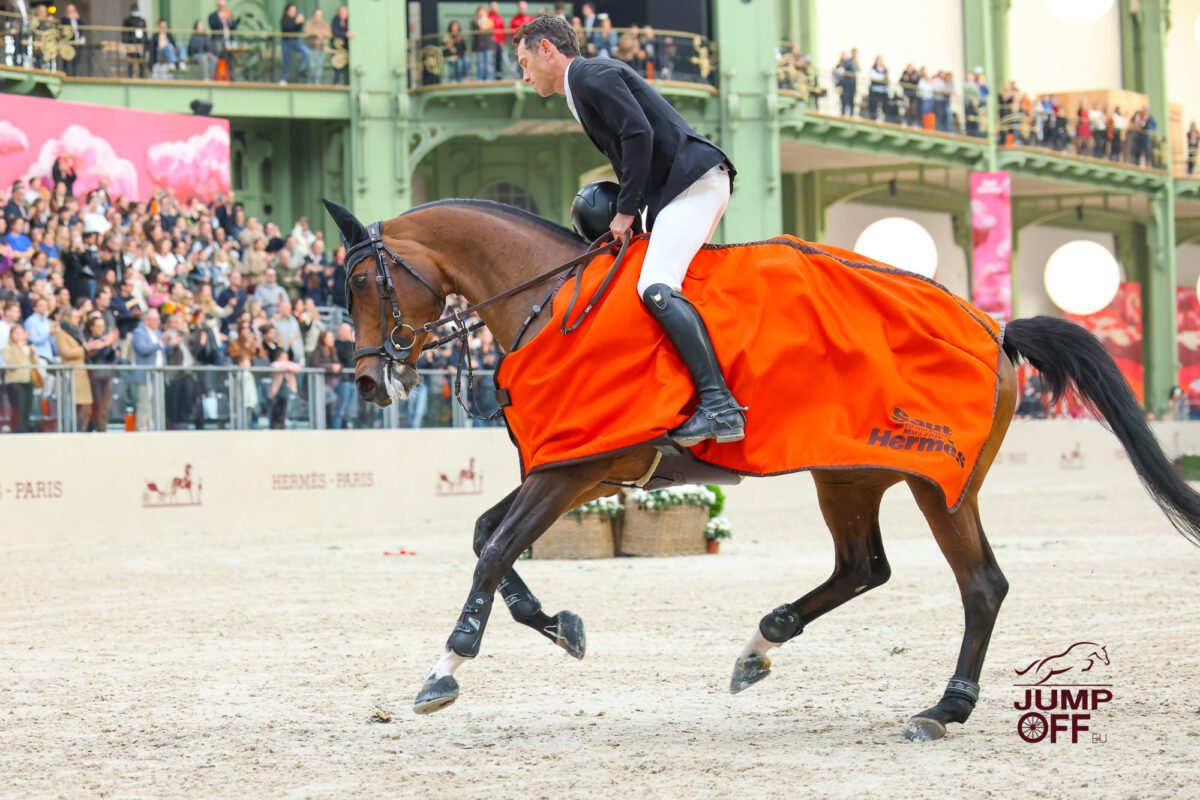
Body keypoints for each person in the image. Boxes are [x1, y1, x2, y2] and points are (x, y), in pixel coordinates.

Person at [516, 16, 745, 447]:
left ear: (547, 49)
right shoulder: (580, 88)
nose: (525, 76)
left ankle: (720, 406)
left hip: (691, 183)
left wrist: (624, 211)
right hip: (678, 189)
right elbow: (633, 145)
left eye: (526, 63)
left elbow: (637, 133)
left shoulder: (588, 74)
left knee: (656, 286)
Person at [54, 304, 93, 430]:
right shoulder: (61, 334)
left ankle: (83, 430)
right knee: (74, 405)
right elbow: (65, 353)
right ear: (68, 318)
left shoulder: (78, 332)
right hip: (71, 373)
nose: (78, 320)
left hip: (82, 372)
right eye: (76, 317)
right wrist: (85, 349)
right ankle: (71, 430)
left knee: (86, 406)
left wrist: (94, 347)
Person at [131, 308, 166, 431]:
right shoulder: (139, 332)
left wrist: (171, 344)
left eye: (158, 319)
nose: (158, 322)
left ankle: (155, 427)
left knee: (157, 403)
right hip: (145, 375)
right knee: (144, 404)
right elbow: (143, 349)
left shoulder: (158, 333)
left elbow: (163, 350)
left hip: (158, 375)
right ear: (147, 320)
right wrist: (160, 343)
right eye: (155, 319)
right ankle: (142, 428)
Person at [2, 323, 40, 433]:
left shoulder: (27, 348)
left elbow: (36, 362)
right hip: (15, 382)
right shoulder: (7, 348)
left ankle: (26, 429)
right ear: (11, 335)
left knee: (28, 407)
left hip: (28, 380)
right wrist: (18, 347)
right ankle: (18, 430)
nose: (19, 336)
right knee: (19, 408)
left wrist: (32, 353)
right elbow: (13, 363)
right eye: (16, 333)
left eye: (21, 333)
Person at [84, 312, 118, 431]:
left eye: (102, 326)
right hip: (94, 376)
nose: (101, 329)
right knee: (97, 406)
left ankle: (102, 429)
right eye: (98, 326)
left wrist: (112, 346)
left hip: (106, 375)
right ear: (92, 327)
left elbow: (110, 357)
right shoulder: (88, 339)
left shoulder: (103, 340)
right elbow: (94, 354)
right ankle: (98, 430)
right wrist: (106, 343)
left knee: (105, 407)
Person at [279, 4, 310, 84]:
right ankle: (285, 78)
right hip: (286, 42)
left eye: (294, 10)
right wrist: (296, 22)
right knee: (287, 61)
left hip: (295, 41)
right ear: (287, 11)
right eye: (292, 10)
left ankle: (301, 69)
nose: (294, 12)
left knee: (307, 52)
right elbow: (286, 28)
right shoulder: (284, 19)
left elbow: (297, 30)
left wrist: (300, 23)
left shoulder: (296, 19)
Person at [121, 3, 148, 78]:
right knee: (130, 61)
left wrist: (145, 43)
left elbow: (145, 33)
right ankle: (130, 76)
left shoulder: (142, 21)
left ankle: (142, 76)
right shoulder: (127, 21)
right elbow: (124, 33)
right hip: (131, 44)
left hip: (140, 44)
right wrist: (125, 43)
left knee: (141, 61)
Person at [304, 8, 330, 83]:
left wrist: (322, 34)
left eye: (320, 16)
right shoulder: (309, 23)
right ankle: (309, 85)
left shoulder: (324, 24)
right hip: (311, 48)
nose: (318, 17)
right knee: (311, 67)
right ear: (313, 15)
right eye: (317, 15)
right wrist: (315, 33)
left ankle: (317, 84)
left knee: (319, 67)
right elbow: (306, 33)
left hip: (321, 48)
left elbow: (328, 33)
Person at [471, 6, 496, 82]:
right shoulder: (474, 23)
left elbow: (491, 31)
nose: (481, 13)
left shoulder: (490, 21)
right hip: (479, 46)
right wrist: (482, 26)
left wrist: (485, 27)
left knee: (488, 64)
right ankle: (479, 79)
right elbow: (476, 33)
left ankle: (489, 79)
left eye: (483, 11)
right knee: (480, 64)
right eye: (480, 12)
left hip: (488, 45)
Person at [331, 5, 352, 85]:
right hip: (337, 48)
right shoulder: (335, 20)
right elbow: (334, 31)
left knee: (347, 66)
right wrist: (345, 34)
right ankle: (336, 82)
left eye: (344, 12)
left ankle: (347, 82)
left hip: (347, 48)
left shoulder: (350, 20)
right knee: (337, 65)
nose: (343, 14)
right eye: (341, 12)